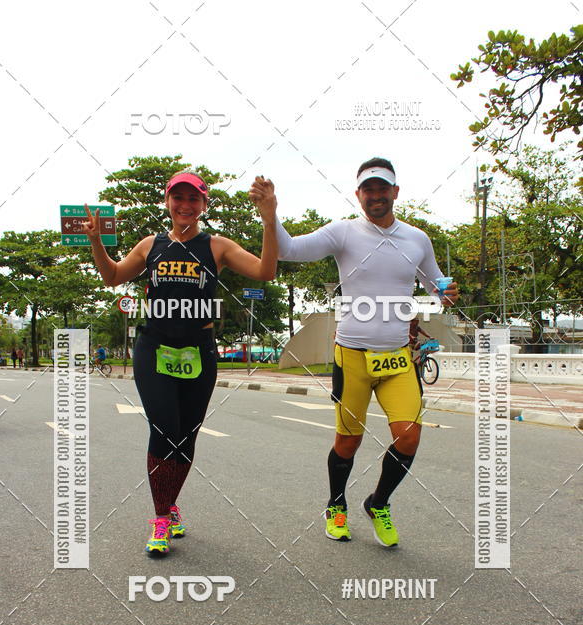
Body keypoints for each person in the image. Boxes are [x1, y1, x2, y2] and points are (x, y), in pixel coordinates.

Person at [83, 171, 278, 555]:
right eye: (179, 198)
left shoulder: (217, 246)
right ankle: (160, 518)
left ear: (204, 204)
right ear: (168, 202)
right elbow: (112, 276)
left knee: (187, 435)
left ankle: (170, 502)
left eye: (194, 199)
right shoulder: (150, 245)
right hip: (154, 347)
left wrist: (269, 219)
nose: (186, 205)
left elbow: (265, 271)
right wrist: (96, 242)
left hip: (198, 350)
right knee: (165, 427)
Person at [269, 157, 459, 547]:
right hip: (352, 356)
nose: (376, 195)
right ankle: (336, 505)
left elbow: (436, 282)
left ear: (395, 192)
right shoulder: (344, 233)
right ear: (358, 195)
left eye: (382, 188)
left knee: (409, 438)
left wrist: (446, 292)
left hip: (397, 359)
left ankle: (378, 503)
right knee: (348, 441)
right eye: (368, 189)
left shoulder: (417, 239)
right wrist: (270, 213)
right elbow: (287, 249)